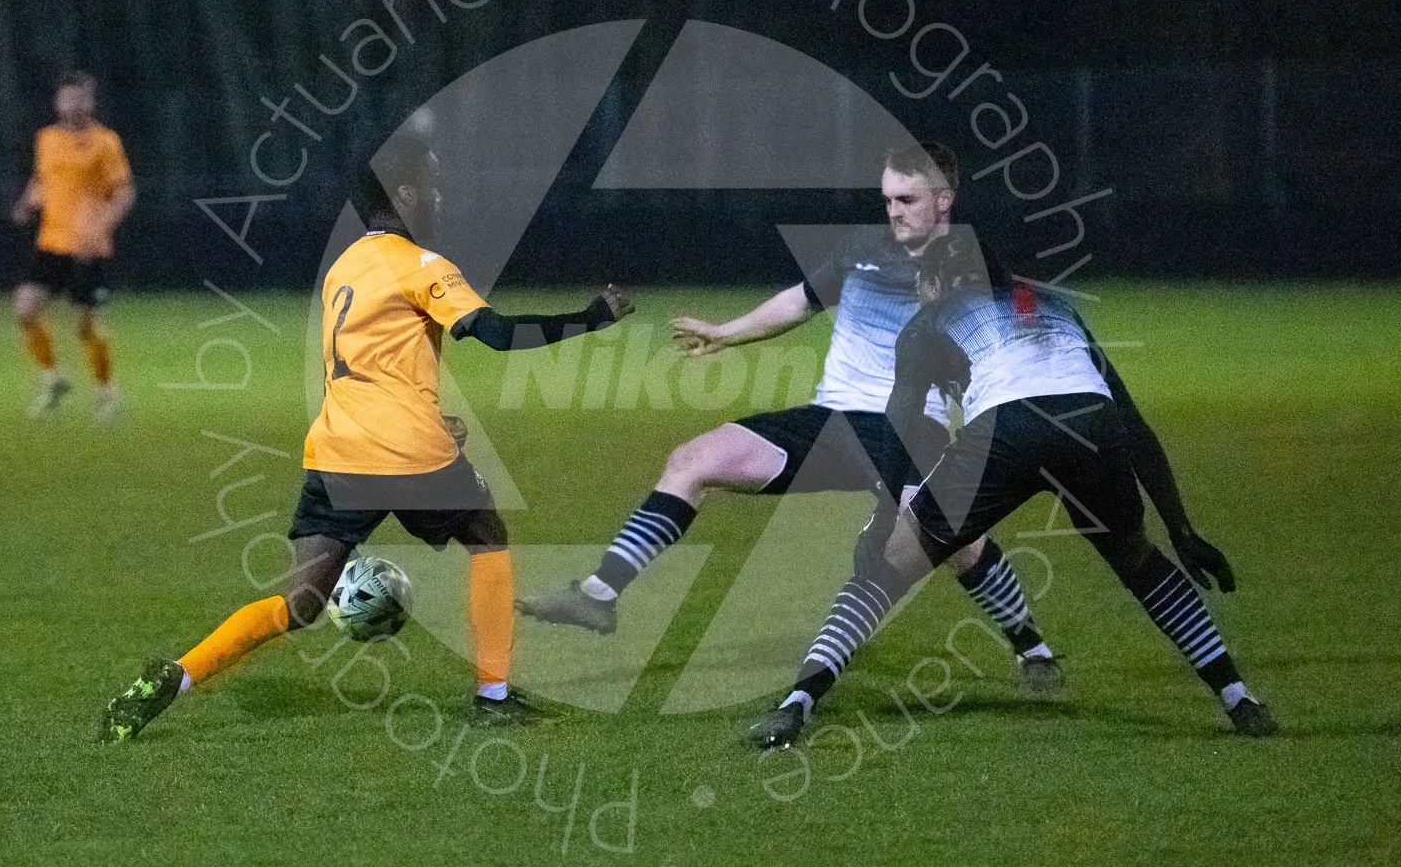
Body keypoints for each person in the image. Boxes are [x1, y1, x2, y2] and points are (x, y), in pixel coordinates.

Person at [99, 132, 634, 741]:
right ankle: (493, 697)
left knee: (299, 603)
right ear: (404, 194)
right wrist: (592, 318)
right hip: (409, 455)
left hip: (337, 454)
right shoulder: (423, 267)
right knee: (486, 535)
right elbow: (499, 335)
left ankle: (176, 676)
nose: (438, 196)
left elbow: (375, 365)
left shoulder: (344, 268)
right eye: (431, 184)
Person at [518, 143, 1062, 689]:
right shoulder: (863, 249)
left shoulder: (973, 263)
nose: (893, 211)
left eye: (906, 199)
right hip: (829, 422)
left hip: (909, 430)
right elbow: (800, 301)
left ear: (944, 200)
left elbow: (1017, 331)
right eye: (887, 199)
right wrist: (725, 334)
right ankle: (599, 594)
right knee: (693, 460)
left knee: (957, 542)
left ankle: (1032, 646)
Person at [749, 230, 1275, 747]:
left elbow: (899, 431)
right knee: (1140, 562)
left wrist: (885, 525)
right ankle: (1238, 697)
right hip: (1093, 426)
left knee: (884, 572)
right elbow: (1133, 424)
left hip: (1007, 431)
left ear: (934, 282)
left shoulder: (926, 323)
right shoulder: (1055, 307)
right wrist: (1181, 529)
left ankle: (797, 705)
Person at [12, 71, 134, 420]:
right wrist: (26, 203)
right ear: (58, 102)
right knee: (24, 310)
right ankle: (53, 378)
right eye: (67, 98)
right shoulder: (46, 139)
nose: (73, 105)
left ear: (90, 102)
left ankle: (107, 393)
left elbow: (124, 194)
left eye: (80, 99)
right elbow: (42, 180)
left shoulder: (105, 142)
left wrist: (101, 228)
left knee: (86, 325)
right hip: (52, 243)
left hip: (89, 249)